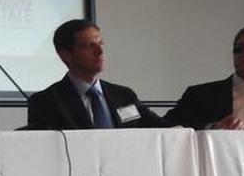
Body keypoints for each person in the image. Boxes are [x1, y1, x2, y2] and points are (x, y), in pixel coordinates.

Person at [27, 19, 160, 130]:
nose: (100, 51)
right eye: (89, 46)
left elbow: (160, 127)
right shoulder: (46, 102)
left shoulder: (124, 96)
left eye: (101, 43)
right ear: (66, 55)